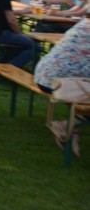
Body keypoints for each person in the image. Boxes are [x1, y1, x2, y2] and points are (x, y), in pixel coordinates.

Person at [33, 19, 90, 156]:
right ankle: (67, 126)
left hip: (45, 75)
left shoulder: (84, 23)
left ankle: (73, 127)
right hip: (60, 82)